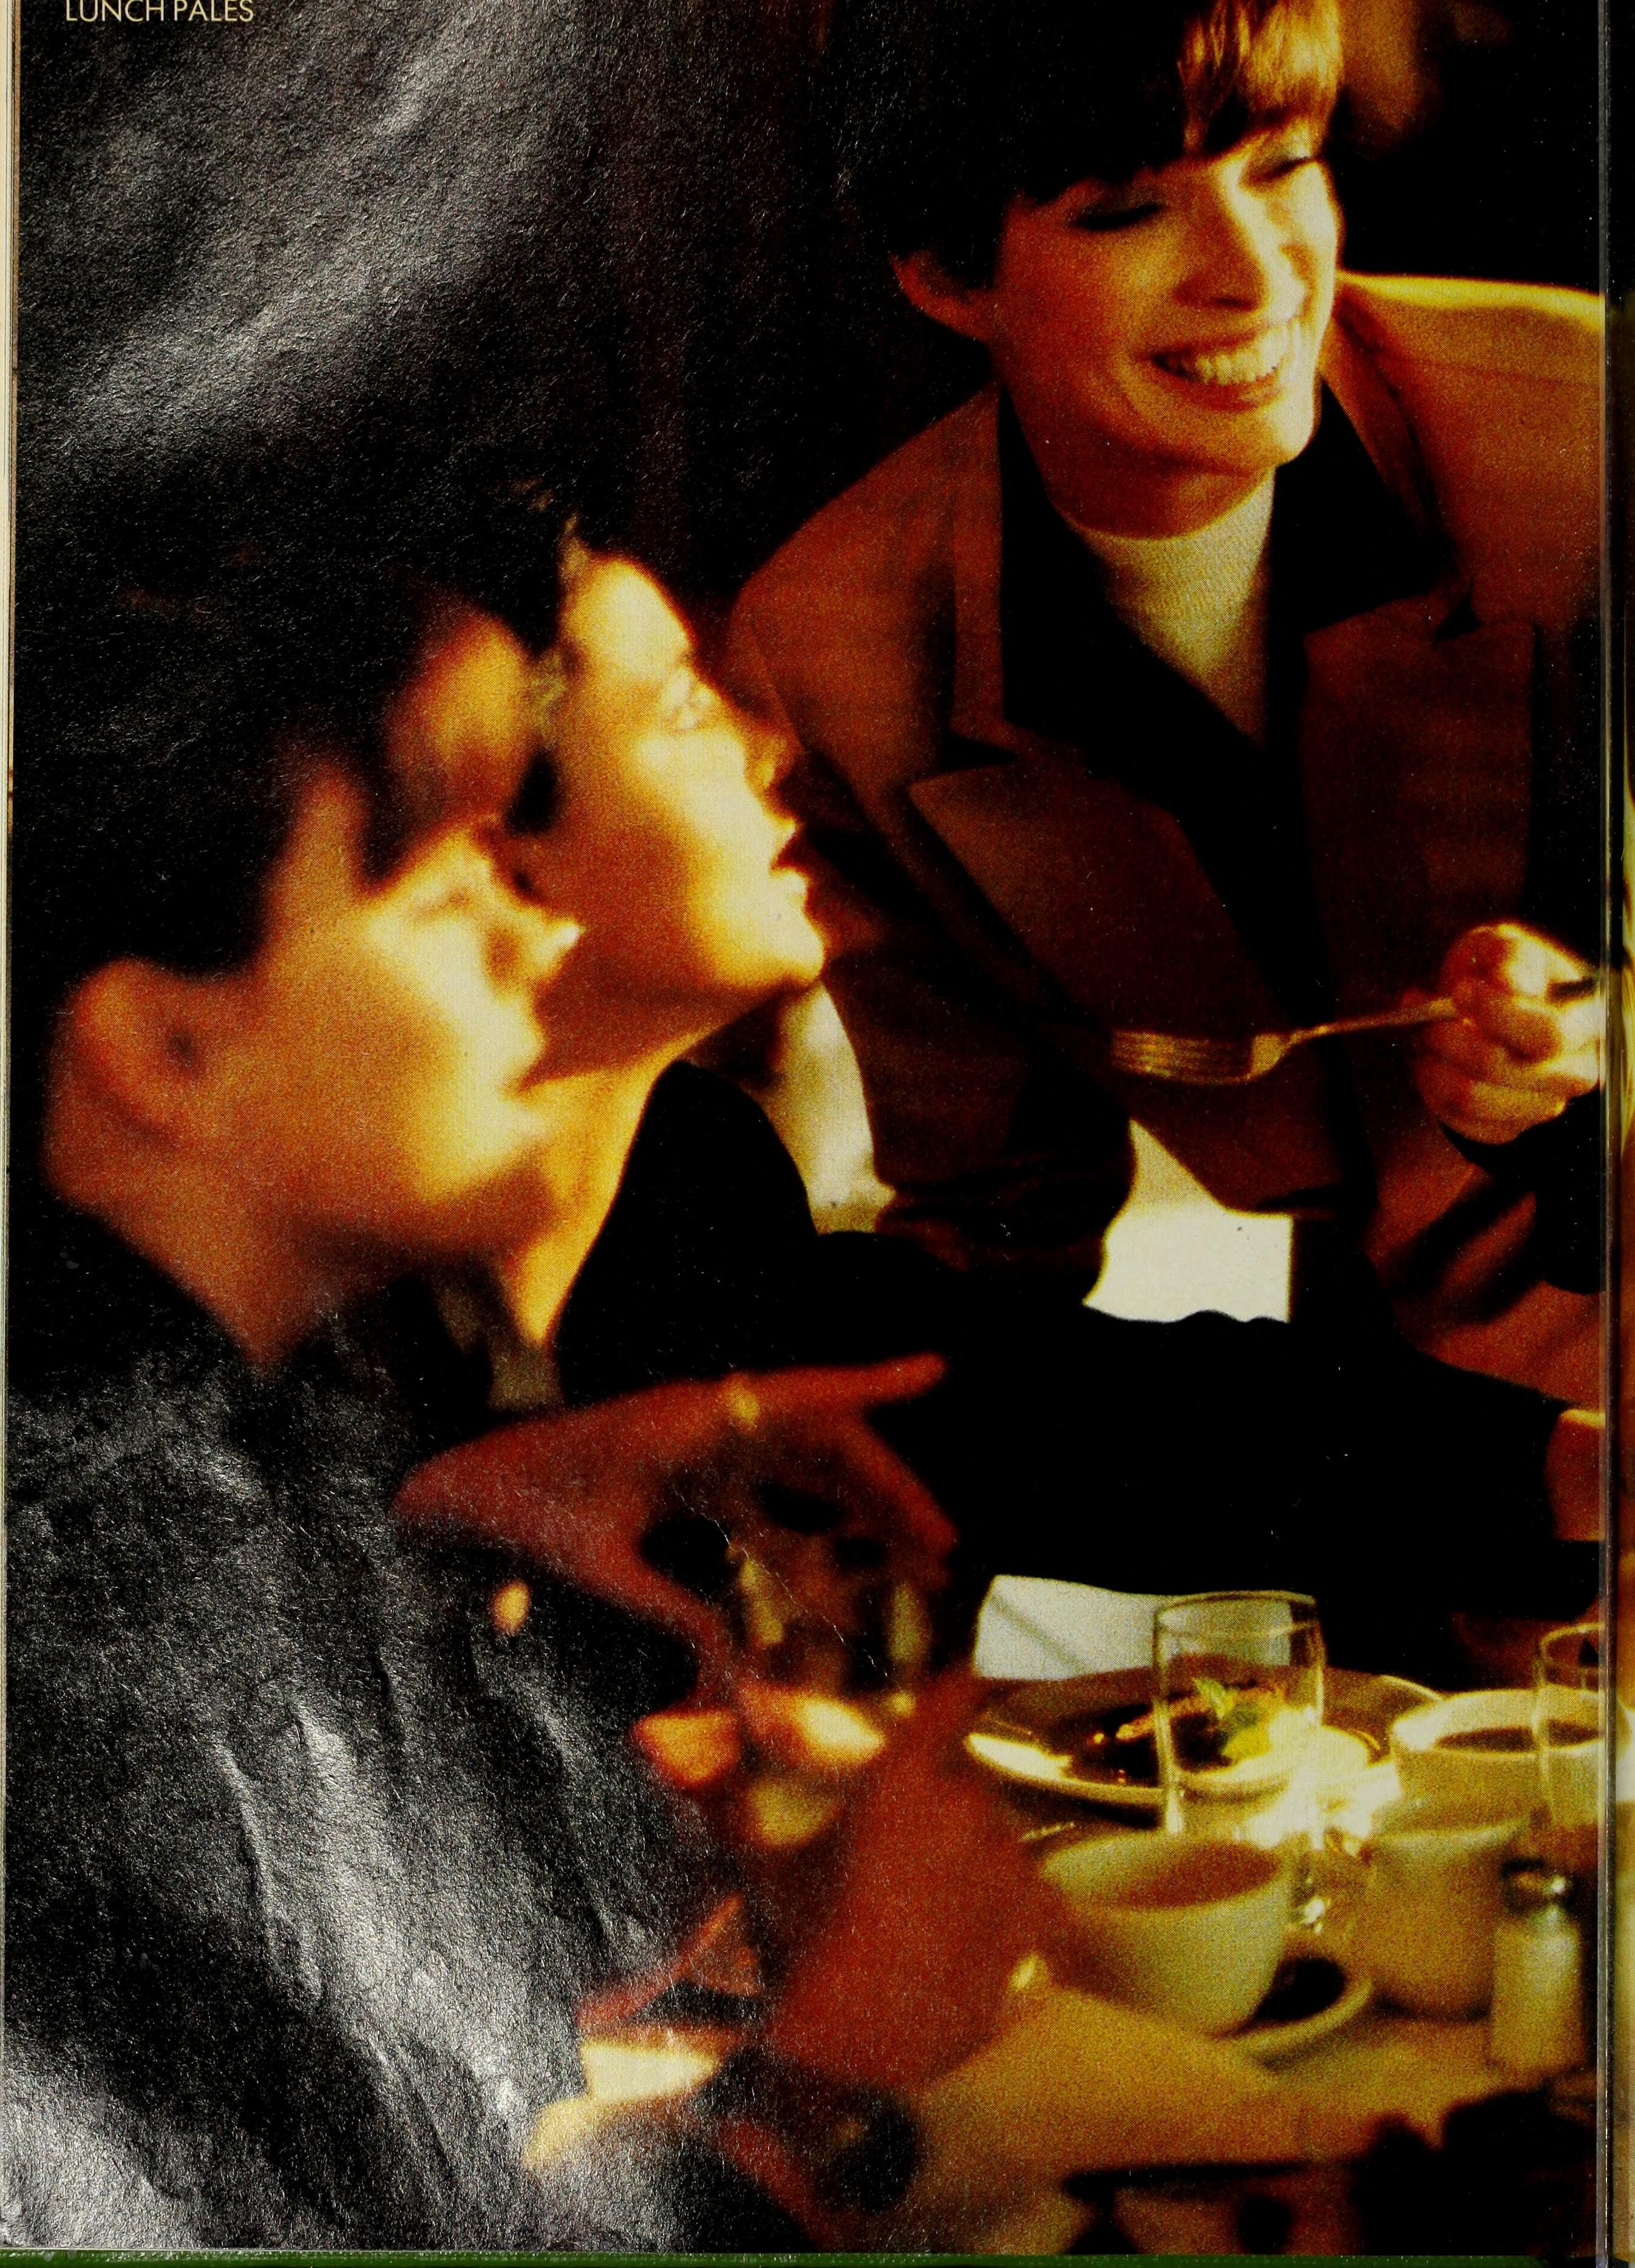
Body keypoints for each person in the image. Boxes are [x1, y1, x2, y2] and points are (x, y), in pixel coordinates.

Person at [724, 0, 1604, 1403]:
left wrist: (1608, 1030)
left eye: (1283, 167)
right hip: (1421, 1434)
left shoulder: (1583, 431)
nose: (1256, 275)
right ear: (947, 279)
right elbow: (995, 1219)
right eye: (1131, 212)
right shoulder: (838, 651)